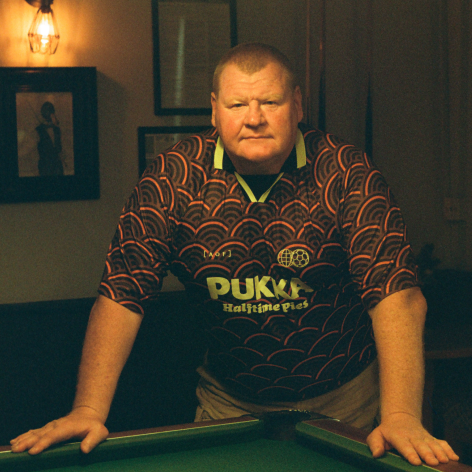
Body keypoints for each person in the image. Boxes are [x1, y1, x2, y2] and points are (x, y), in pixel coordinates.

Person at [11, 43, 458, 467]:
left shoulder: (347, 172)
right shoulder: (171, 178)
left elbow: (396, 296)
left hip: (345, 398)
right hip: (229, 401)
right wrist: (88, 410)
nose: (254, 118)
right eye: (237, 104)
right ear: (214, 110)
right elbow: (122, 294)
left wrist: (402, 415)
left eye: (270, 102)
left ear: (297, 105)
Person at [36, 101, 64, 176]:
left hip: (56, 166)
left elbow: (59, 147)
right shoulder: (39, 130)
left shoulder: (56, 129)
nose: (53, 115)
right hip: (45, 167)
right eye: (51, 114)